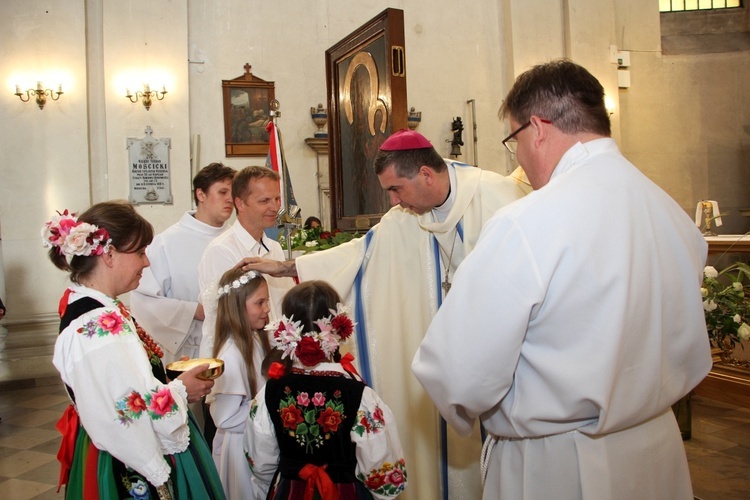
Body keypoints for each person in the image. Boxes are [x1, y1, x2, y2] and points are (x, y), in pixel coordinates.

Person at [412, 59, 712, 499]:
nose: (521, 157)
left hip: (560, 466)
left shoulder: (526, 222)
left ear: (537, 128)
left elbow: (457, 373)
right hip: (658, 453)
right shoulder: (670, 212)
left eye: (514, 140)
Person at [241, 129, 527, 499]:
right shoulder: (404, 217)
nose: (393, 200)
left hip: (500, 362)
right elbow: (360, 254)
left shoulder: (498, 198)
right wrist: (286, 268)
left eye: (396, 189)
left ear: (425, 174)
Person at [45, 201, 224, 499]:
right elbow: (124, 413)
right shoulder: (99, 326)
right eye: (140, 252)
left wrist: (163, 378)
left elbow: (121, 386)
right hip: (124, 460)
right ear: (109, 254)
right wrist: (179, 390)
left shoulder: (99, 307)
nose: (147, 262)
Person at [244, 280, 407, 499]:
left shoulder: (269, 392)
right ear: (338, 326)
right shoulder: (359, 396)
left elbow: (261, 463)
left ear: (286, 327)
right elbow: (383, 473)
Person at [131, 162, 236, 365]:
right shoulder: (166, 242)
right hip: (188, 352)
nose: (230, 199)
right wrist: (195, 311)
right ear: (201, 194)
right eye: (222, 192)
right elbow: (143, 300)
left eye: (233, 193)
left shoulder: (236, 239)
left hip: (233, 348)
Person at [198, 166, 296, 360]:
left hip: (273, 353)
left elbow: (280, 305)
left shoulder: (274, 248)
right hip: (237, 356)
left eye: (277, 199)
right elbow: (224, 317)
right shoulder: (222, 250)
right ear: (240, 203)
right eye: (264, 201)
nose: (274, 207)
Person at [208, 267, 271, 498]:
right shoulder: (230, 355)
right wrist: (271, 409)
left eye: (267, 301)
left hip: (253, 439)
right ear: (236, 306)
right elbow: (225, 417)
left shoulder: (256, 339)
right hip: (240, 448)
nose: (267, 309)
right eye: (260, 303)